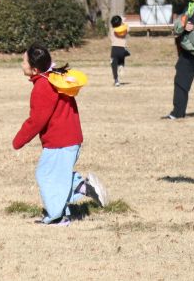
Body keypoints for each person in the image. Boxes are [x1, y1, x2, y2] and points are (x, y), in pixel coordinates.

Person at [12, 43, 107, 225]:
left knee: (45, 175)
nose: (21, 64)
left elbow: (37, 120)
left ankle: (58, 216)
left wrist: (19, 140)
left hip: (60, 142)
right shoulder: (55, 78)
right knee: (56, 176)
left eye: (23, 61)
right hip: (69, 138)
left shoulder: (43, 86)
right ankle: (80, 188)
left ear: (34, 69)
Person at [109, 15, 130, 87]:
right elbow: (127, 26)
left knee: (113, 65)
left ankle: (116, 80)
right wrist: (123, 21)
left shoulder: (112, 30)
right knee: (121, 58)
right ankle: (121, 65)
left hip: (114, 49)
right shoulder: (125, 29)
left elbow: (112, 26)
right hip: (122, 49)